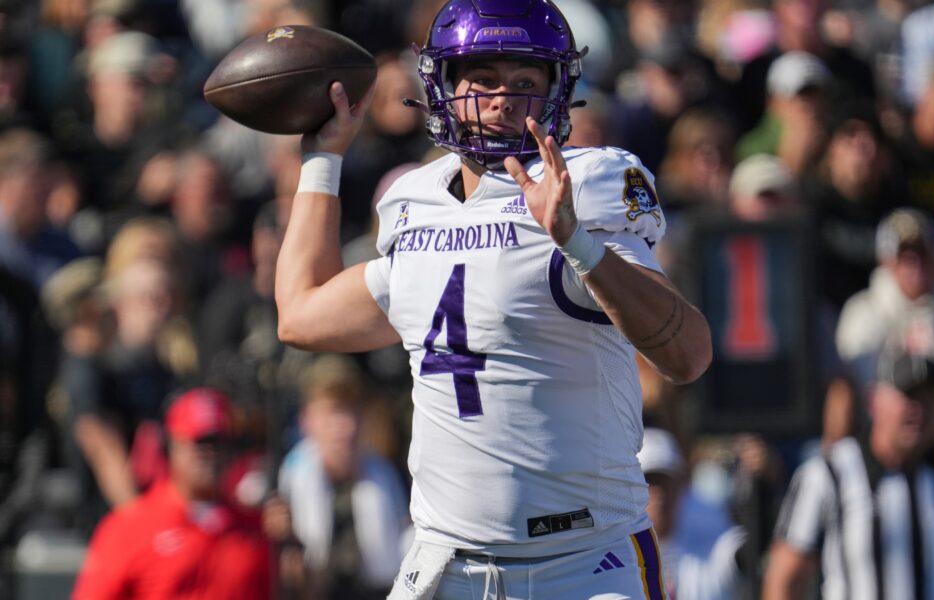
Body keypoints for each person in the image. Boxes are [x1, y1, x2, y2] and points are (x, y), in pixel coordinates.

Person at [273, 1, 713, 598]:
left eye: (525, 82)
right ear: (443, 85)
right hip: (443, 559)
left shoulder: (585, 186)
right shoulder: (415, 200)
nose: (503, 99)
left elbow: (687, 354)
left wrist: (576, 241)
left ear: (558, 92)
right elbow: (300, 314)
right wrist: (323, 160)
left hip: (581, 563)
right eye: (482, 79)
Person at [762, 351, 934, 599]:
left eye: (928, 397)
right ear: (874, 401)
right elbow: (785, 578)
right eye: (908, 395)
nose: (918, 408)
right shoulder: (829, 474)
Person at [72, 387, 271, 599]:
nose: (210, 454)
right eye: (199, 444)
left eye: (217, 443)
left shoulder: (255, 528)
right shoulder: (130, 527)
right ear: (172, 445)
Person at [836, 208, 934, 438]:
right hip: (882, 439)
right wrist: (902, 421)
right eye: (904, 256)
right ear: (886, 262)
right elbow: (860, 381)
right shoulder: (863, 312)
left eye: (922, 253)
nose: (915, 264)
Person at [263, 354, 410, 599]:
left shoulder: (390, 479)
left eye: (351, 411)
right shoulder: (283, 484)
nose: (344, 426)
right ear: (306, 420)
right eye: (332, 412)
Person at [638, 427, 748, 600]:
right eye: (648, 480)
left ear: (682, 484)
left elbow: (740, 552)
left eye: (666, 480)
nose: (659, 491)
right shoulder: (612, 545)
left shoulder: (713, 529)